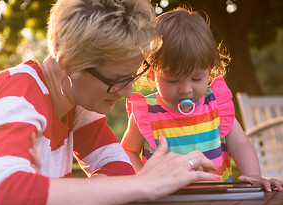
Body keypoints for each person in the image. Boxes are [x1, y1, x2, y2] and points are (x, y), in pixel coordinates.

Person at [0, 1, 221, 205]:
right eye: (116, 81)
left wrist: (139, 182)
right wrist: (144, 184)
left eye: (133, 76)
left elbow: (117, 170)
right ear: (68, 64)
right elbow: (7, 200)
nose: (128, 90)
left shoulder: (77, 102)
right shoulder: (18, 94)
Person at [121, 7, 283, 191]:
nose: (186, 89)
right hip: (164, 203)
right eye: (173, 80)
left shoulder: (216, 105)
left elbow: (240, 143)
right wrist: (142, 179)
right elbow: (128, 151)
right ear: (152, 74)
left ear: (210, 70)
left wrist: (253, 177)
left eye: (196, 78)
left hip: (216, 200)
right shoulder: (146, 113)